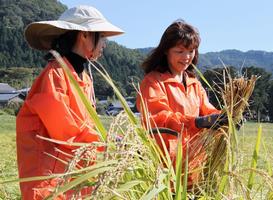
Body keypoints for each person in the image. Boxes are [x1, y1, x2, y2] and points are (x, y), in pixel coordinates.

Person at [16, 5, 124, 199]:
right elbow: (65, 130)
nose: (105, 44)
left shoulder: (84, 77)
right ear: (84, 35)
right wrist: (106, 140)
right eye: (102, 37)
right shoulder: (55, 74)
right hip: (49, 180)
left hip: (75, 176)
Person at [136, 20, 224, 184]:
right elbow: (159, 118)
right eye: (180, 51)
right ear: (165, 51)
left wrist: (225, 118)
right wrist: (196, 122)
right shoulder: (153, 82)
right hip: (166, 165)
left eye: (191, 51)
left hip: (195, 162)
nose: (186, 57)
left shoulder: (193, 83)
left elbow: (207, 110)